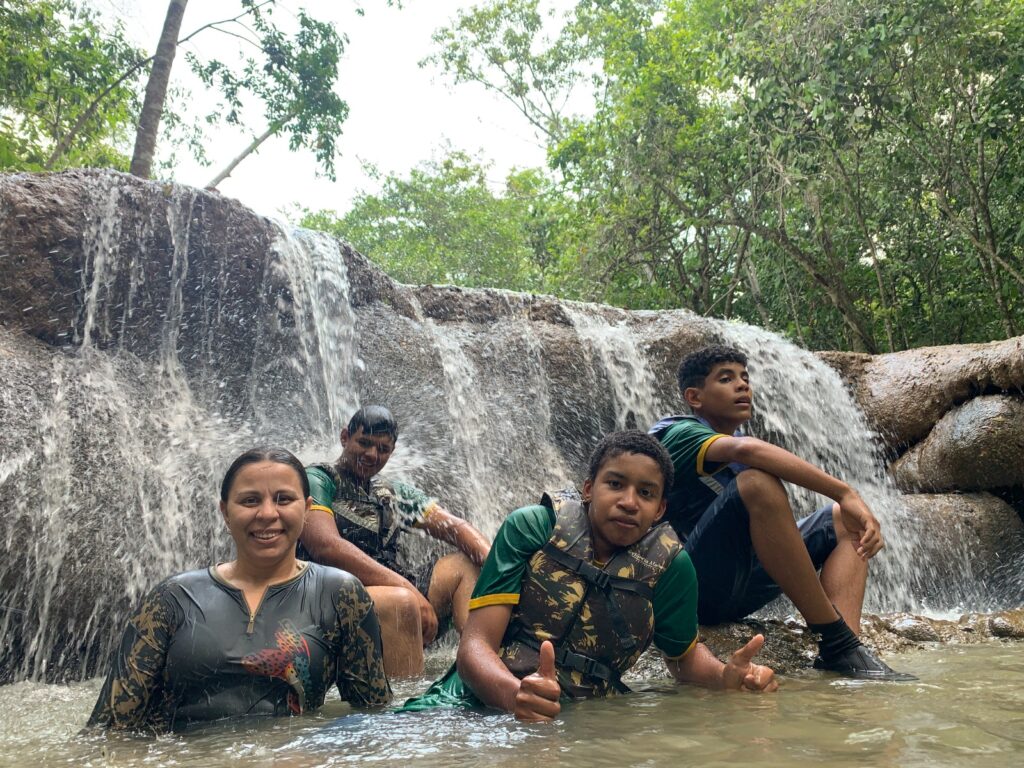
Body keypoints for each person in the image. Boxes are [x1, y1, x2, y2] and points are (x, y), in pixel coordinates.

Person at [401, 431, 777, 720]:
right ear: (588, 489)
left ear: (660, 509)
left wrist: (726, 677)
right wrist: (515, 697)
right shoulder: (533, 526)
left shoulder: (671, 567)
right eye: (615, 484)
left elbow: (685, 658)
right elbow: (474, 647)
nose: (629, 501)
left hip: (593, 713)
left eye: (645, 493)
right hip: (476, 696)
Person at [649, 345, 914, 680]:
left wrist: (844, 504)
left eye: (745, 377)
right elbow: (749, 450)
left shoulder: (734, 445)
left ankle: (847, 649)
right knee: (758, 482)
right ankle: (836, 639)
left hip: (741, 582)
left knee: (841, 519)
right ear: (695, 396)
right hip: (695, 589)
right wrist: (846, 492)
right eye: (726, 378)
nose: (743, 385)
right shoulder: (678, 432)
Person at [87, 447, 391, 733]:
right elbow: (109, 729)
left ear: (307, 509)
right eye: (250, 501)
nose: (268, 514)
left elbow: (371, 718)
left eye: (284, 499)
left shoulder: (341, 595)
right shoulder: (172, 599)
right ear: (225, 512)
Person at [298, 406, 490, 677]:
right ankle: (406, 706)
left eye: (383, 449)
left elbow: (456, 528)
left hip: (398, 597)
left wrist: (501, 570)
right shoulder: (319, 479)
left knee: (464, 566)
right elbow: (325, 545)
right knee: (400, 602)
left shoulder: (391, 493)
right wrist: (408, 591)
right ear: (345, 438)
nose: (372, 455)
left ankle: (483, 662)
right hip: (336, 602)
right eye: (364, 443)